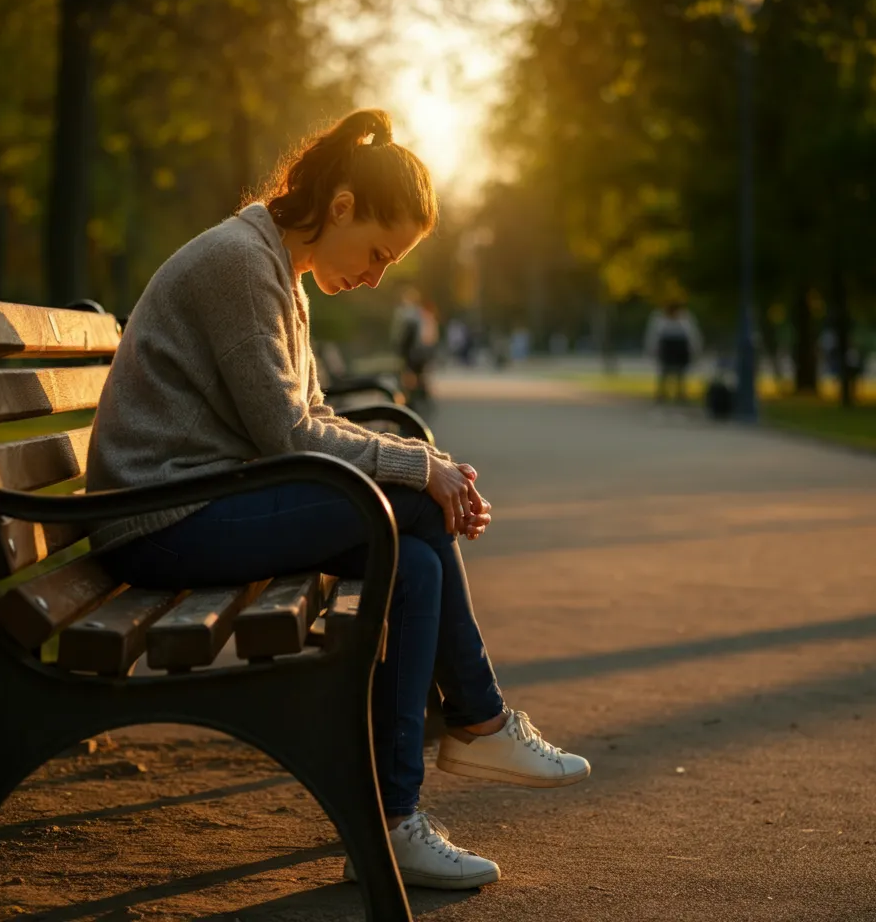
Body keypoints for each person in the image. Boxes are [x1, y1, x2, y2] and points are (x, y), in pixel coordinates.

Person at [86, 109, 590, 892]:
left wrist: (426, 464)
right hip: (158, 520)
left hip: (206, 500)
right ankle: (481, 721)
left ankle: (391, 826)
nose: (378, 276)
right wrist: (423, 471)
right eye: (380, 254)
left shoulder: (280, 271)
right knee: (412, 511)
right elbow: (290, 435)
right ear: (343, 205)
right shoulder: (240, 263)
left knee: (416, 564)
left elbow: (311, 418)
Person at [644, 301, 703, 403]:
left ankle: (680, 393)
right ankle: (662, 393)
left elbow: (692, 336)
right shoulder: (659, 319)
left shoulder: (685, 319)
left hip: (680, 349)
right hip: (667, 349)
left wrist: (695, 350)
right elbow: (653, 337)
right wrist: (652, 350)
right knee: (664, 372)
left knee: (680, 373)